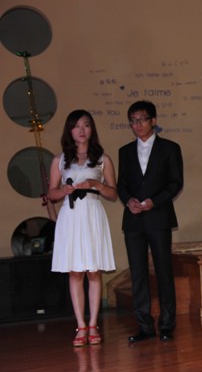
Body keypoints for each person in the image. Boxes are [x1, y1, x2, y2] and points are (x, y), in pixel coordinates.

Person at [49, 109, 117, 347]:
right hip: (70, 215)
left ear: (91, 129)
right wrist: (63, 190)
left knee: (93, 271)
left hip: (92, 213)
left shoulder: (103, 159)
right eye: (76, 126)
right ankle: (81, 326)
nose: (81, 130)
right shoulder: (59, 160)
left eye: (86, 125)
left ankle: (94, 324)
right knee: (75, 272)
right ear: (70, 130)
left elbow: (113, 193)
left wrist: (95, 183)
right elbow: (51, 193)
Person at [117, 100, 184, 342]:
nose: (137, 125)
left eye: (142, 120)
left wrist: (154, 202)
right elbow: (122, 184)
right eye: (133, 121)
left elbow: (176, 183)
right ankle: (144, 326)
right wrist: (129, 201)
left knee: (164, 271)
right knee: (138, 273)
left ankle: (167, 324)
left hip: (159, 217)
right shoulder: (125, 151)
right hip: (133, 219)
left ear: (153, 121)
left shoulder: (170, 148)